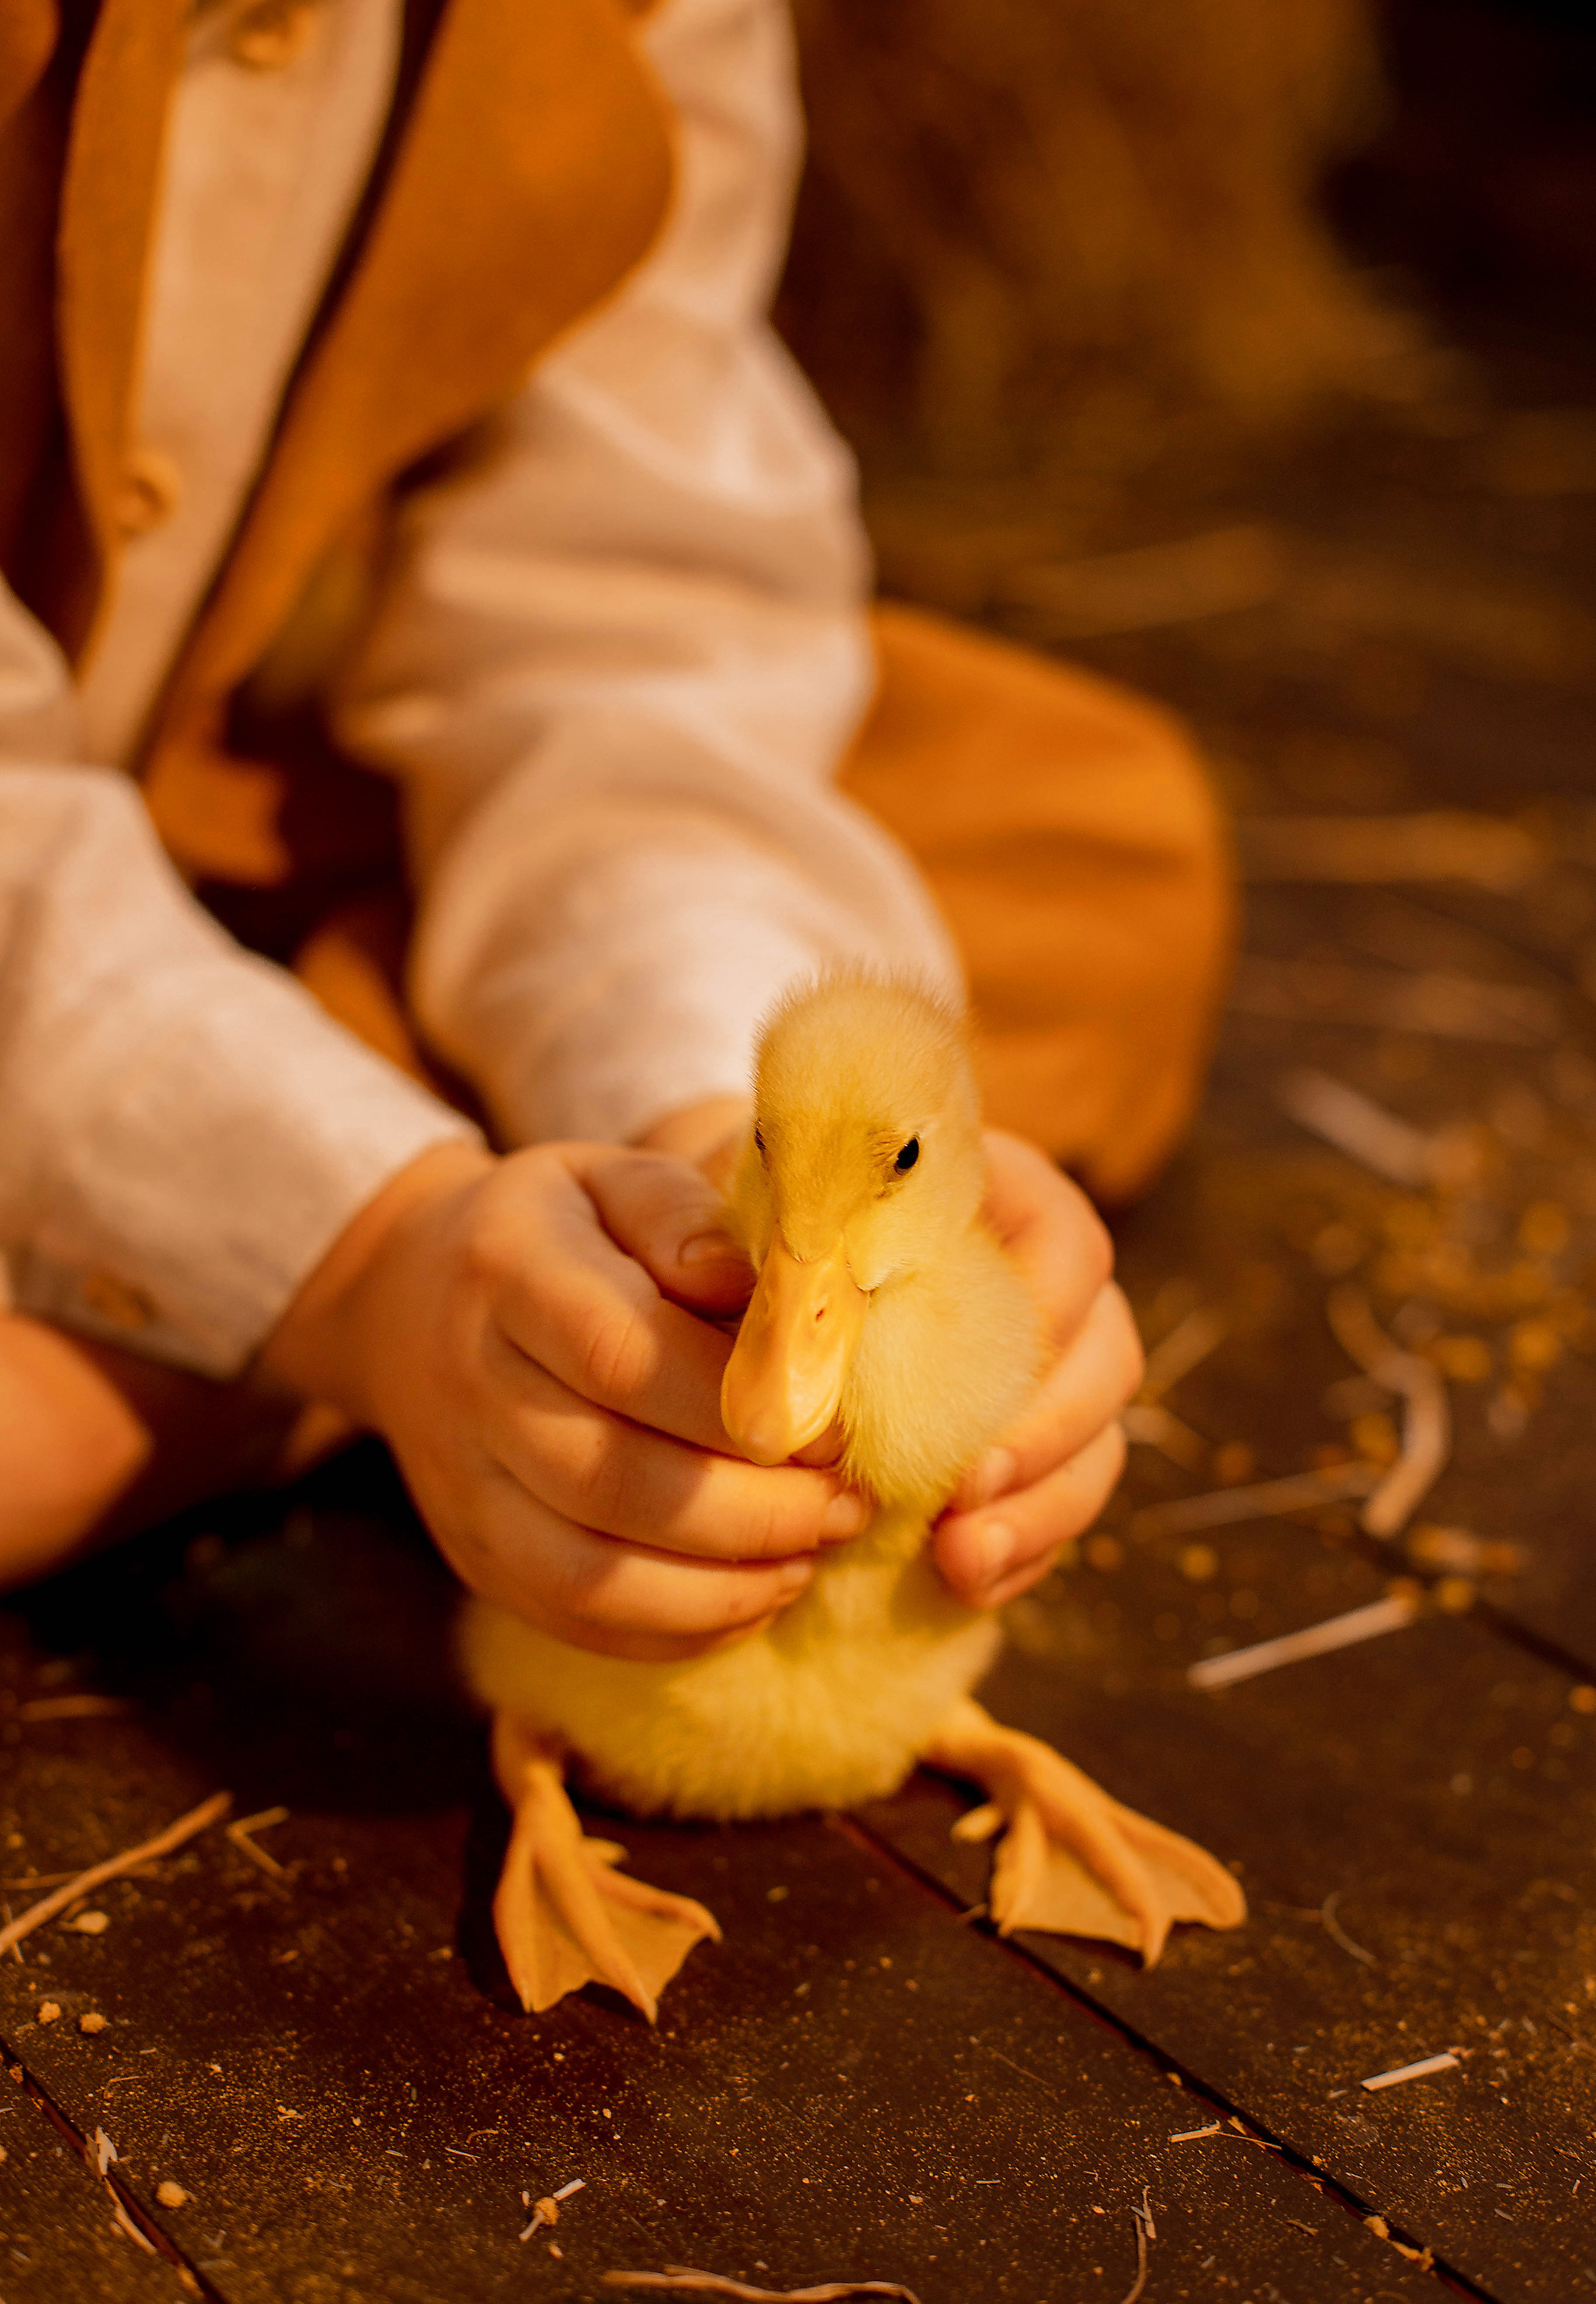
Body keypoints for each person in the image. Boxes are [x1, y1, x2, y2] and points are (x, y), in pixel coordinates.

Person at [0, 0, 1228, 1661]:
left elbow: (622, 608)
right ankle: (288, 1332)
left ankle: (384, 1286)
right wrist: (364, 1246)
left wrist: (708, 1133)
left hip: (242, 755)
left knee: (1086, 830)